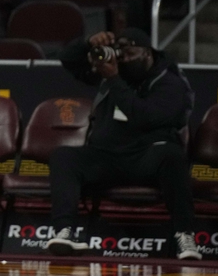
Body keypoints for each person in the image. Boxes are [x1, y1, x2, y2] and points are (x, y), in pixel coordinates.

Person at [44, 28, 200, 260]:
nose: (122, 59)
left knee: (173, 155)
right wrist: (89, 42)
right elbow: (68, 58)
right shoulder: (117, 70)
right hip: (106, 158)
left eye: (128, 54)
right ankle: (63, 232)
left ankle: (185, 237)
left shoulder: (170, 82)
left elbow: (144, 117)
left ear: (146, 53)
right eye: (119, 53)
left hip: (146, 159)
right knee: (64, 156)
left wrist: (114, 79)